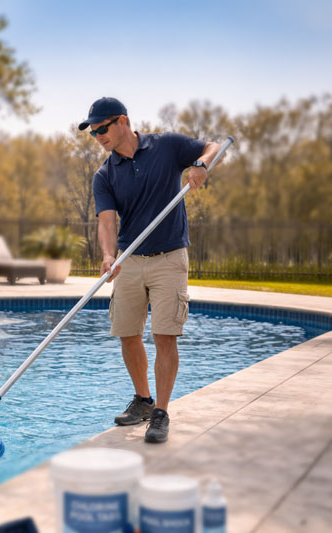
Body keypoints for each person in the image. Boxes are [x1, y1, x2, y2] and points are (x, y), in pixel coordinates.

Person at [78, 97, 222, 443]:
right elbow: (106, 221)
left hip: (169, 258)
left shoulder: (166, 146)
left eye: (102, 128)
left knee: (164, 335)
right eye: (92, 131)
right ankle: (143, 400)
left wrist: (201, 164)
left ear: (122, 121)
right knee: (127, 334)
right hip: (129, 260)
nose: (98, 135)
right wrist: (109, 255)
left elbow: (213, 146)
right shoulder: (105, 174)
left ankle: (161, 412)